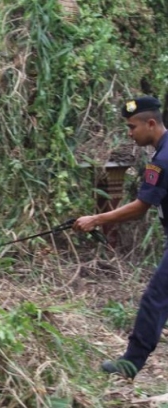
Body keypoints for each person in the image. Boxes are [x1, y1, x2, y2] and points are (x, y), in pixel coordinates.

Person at [73, 95, 168, 379]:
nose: (129, 133)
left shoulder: (162, 160)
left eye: (132, 127)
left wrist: (96, 219)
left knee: (155, 299)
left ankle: (130, 364)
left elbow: (140, 208)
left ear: (150, 123)